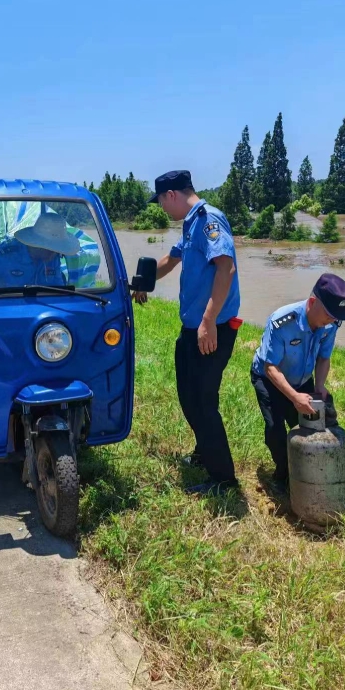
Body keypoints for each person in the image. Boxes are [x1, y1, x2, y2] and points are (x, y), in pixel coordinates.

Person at [134, 170, 242, 497]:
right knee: (188, 395)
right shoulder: (190, 223)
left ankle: (223, 479)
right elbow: (171, 259)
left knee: (203, 402)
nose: (163, 209)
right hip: (193, 329)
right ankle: (205, 451)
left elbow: (226, 268)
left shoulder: (209, 220)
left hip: (212, 328)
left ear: (172, 195)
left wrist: (208, 321)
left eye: (162, 203)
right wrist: (142, 282)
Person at [250, 273, 345, 492]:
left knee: (311, 426)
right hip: (269, 379)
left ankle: (310, 472)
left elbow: (323, 357)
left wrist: (320, 386)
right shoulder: (282, 321)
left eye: (336, 316)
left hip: (303, 378)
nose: (332, 320)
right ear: (313, 302)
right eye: (329, 314)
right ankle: (282, 476)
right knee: (275, 429)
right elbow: (270, 367)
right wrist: (295, 397)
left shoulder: (331, 324)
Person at [0, 211, 80, 290]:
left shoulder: (52, 258)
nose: (55, 253)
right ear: (39, 244)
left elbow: (58, 290)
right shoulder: (6, 255)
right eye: (52, 249)